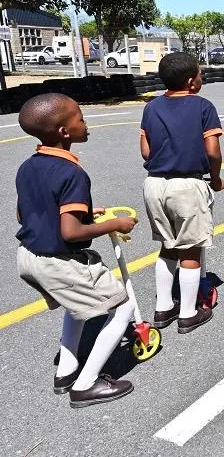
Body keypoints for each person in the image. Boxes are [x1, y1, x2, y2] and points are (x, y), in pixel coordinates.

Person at [16, 93, 138, 408]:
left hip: (29, 257)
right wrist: (115, 225)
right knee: (122, 308)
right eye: (80, 118)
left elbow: (25, 214)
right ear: (65, 133)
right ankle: (86, 385)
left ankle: (67, 370)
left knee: (77, 307)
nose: (86, 124)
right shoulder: (72, 174)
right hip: (59, 261)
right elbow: (70, 232)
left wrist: (84, 212)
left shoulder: (29, 166)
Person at [140, 52, 224, 334]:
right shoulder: (203, 106)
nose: (201, 79)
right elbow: (212, 150)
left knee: (168, 245)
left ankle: (163, 307)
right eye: (200, 74)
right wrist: (215, 178)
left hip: (155, 183)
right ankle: (189, 312)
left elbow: (146, 150)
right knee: (191, 249)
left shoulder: (151, 107)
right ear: (191, 81)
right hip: (186, 185)